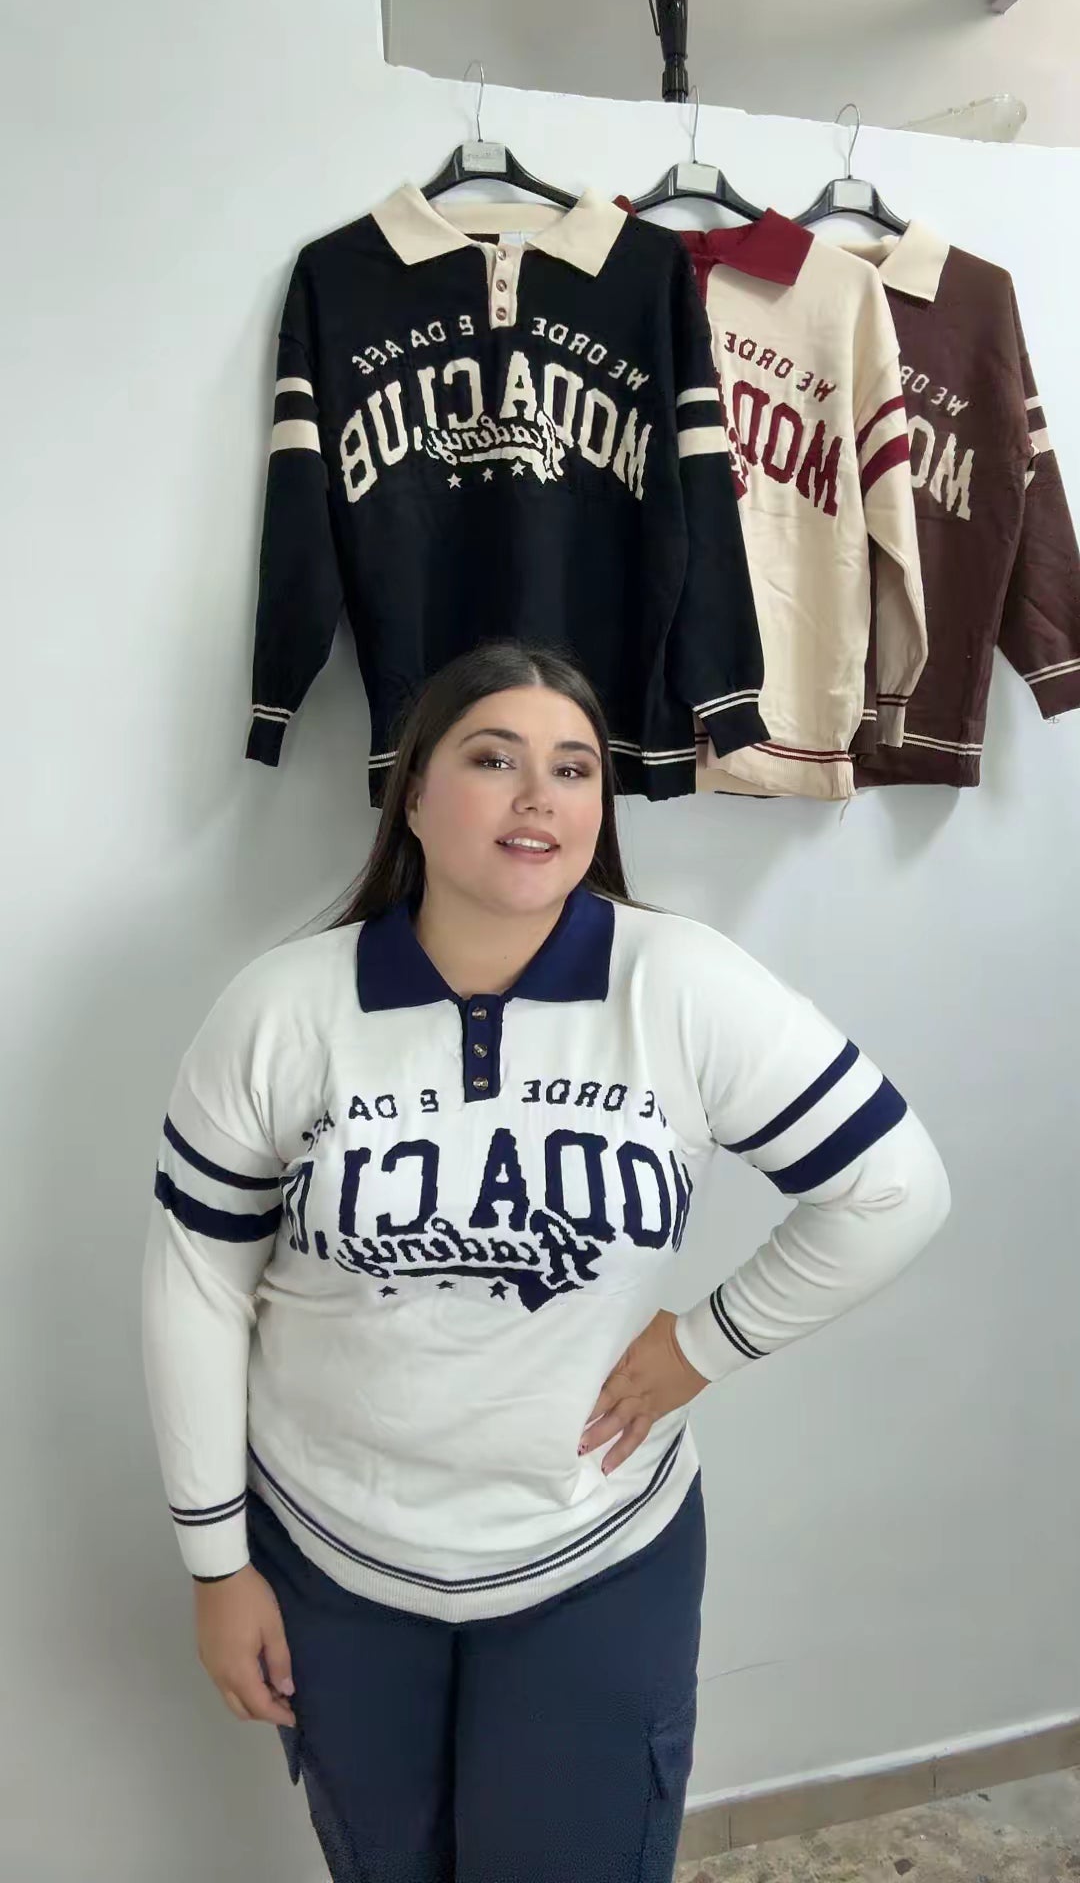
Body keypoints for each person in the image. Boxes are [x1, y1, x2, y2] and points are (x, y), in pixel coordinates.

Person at [142, 639, 951, 1883]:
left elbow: (893, 1189)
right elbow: (197, 1283)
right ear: (413, 793)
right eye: (493, 759)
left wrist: (705, 1342)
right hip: (333, 1559)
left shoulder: (678, 983)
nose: (540, 797)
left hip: (594, 1559)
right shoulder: (285, 1008)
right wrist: (218, 1564)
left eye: (574, 769)